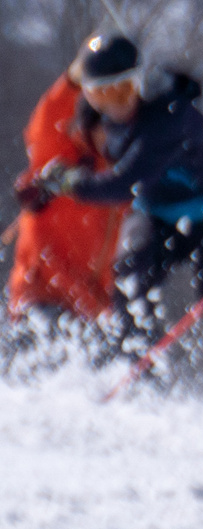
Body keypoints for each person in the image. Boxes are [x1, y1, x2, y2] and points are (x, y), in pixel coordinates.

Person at [28, 34, 203, 363]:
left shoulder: (169, 117)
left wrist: (72, 183)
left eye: (124, 89)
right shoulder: (94, 119)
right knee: (130, 273)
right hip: (158, 212)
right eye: (103, 94)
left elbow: (122, 184)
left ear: (141, 82)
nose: (117, 103)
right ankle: (138, 368)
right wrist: (50, 180)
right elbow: (57, 136)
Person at [9, 50, 119, 327]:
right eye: (106, 126)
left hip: (88, 307)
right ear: (90, 127)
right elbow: (49, 116)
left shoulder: (121, 174)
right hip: (40, 296)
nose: (113, 134)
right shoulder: (60, 154)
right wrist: (74, 77)